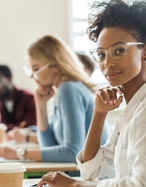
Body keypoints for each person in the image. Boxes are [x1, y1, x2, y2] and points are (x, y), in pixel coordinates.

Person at [36, 0, 146, 187]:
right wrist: (99, 114)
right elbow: (92, 171)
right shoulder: (133, 107)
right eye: (101, 54)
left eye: (119, 51)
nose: (108, 64)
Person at [0, 35, 108, 165]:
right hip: (78, 175)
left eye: (35, 69)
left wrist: (19, 153)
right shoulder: (63, 90)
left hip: (91, 178)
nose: (33, 76)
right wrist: (41, 105)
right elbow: (49, 146)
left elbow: (72, 152)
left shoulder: (69, 89)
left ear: (55, 66)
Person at [0, 65, 37, 131]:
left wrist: (4, 127)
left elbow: (31, 126)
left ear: (9, 79)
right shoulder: (1, 102)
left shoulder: (29, 98)